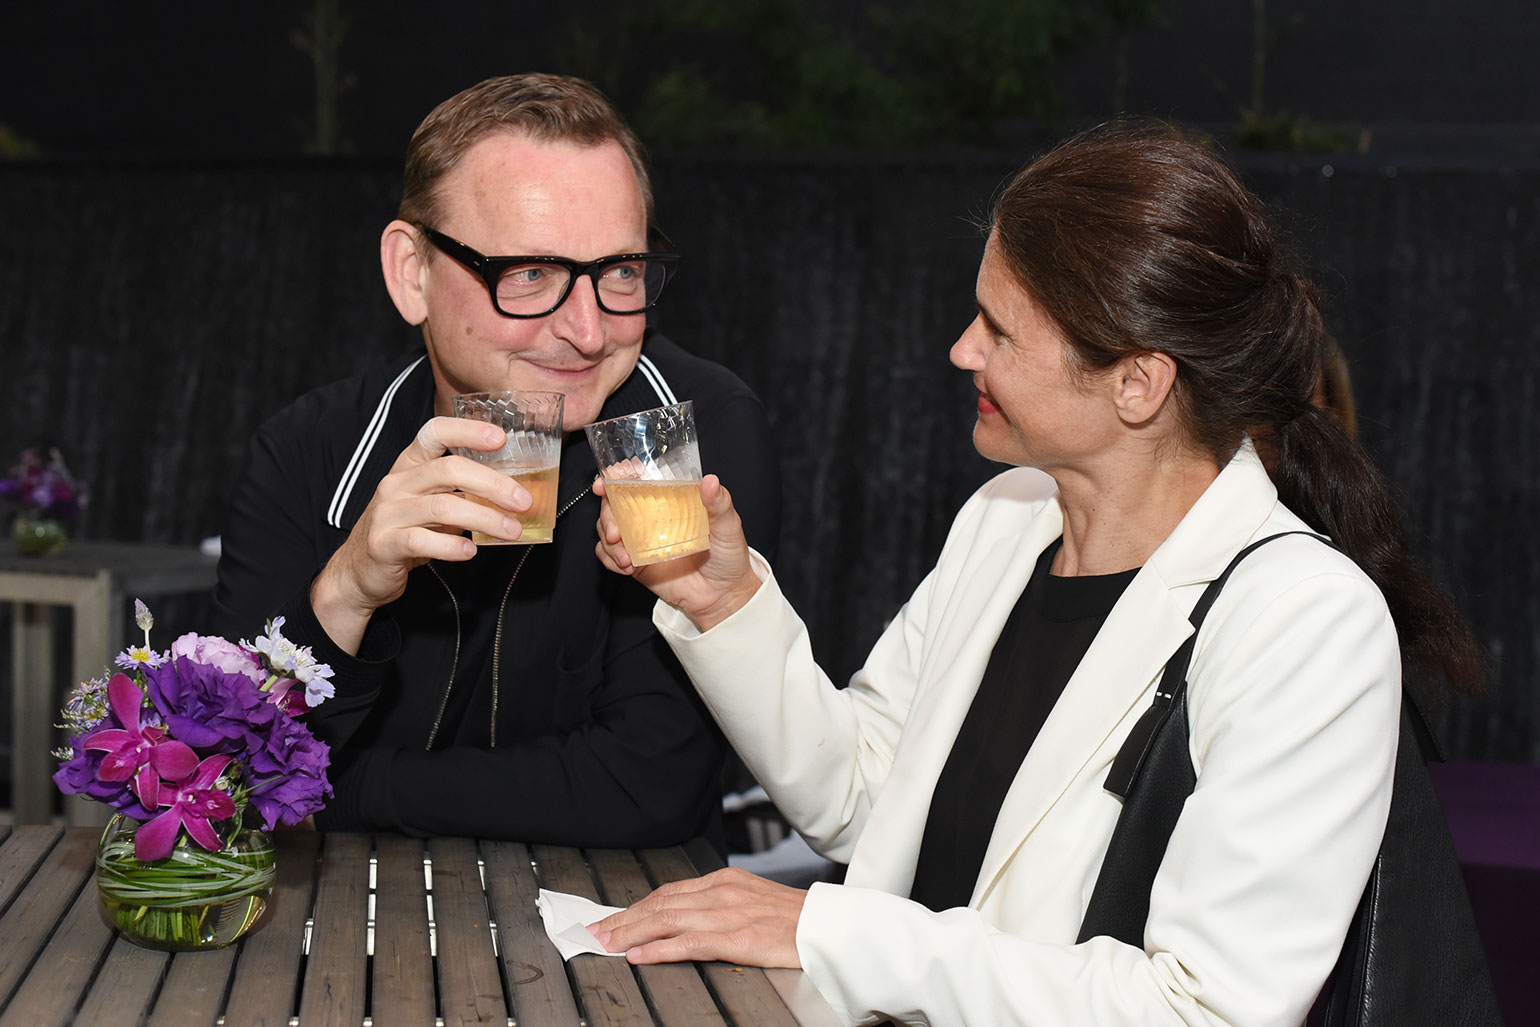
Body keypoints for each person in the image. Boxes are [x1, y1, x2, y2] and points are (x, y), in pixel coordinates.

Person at [586, 124, 1485, 1025]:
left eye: (1000, 331)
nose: (961, 350)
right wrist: (723, 600)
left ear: (1138, 382)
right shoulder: (1005, 518)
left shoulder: (1306, 620)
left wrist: (835, 931)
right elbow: (865, 802)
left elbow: (1205, 1009)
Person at [212, 74, 780, 847]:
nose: (588, 330)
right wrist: (346, 592)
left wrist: (336, 785)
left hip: (614, 938)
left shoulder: (694, 430)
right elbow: (218, 779)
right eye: (531, 274)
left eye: (621, 271)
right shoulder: (308, 450)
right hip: (344, 926)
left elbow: (650, 787)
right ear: (412, 272)